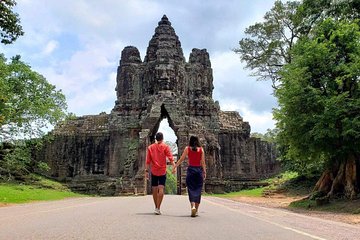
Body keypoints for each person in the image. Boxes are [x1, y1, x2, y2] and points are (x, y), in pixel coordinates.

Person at [172, 136, 206, 217]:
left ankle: (193, 206)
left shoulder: (187, 149)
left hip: (191, 170)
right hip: (198, 171)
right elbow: (203, 162)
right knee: (198, 190)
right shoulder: (201, 149)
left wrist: (175, 166)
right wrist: (204, 172)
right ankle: (196, 210)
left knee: (191, 189)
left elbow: (181, 159)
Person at [145, 132, 175, 215]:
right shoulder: (165, 147)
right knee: (161, 188)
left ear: (155, 138)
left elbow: (147, 161)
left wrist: (146, 171)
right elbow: (170, 157)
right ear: (162, 138)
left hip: (154, 171)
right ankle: (158, 207)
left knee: (154, 189)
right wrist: (174, 166)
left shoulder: (150, 147)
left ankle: (156, 207)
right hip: (162, 171)